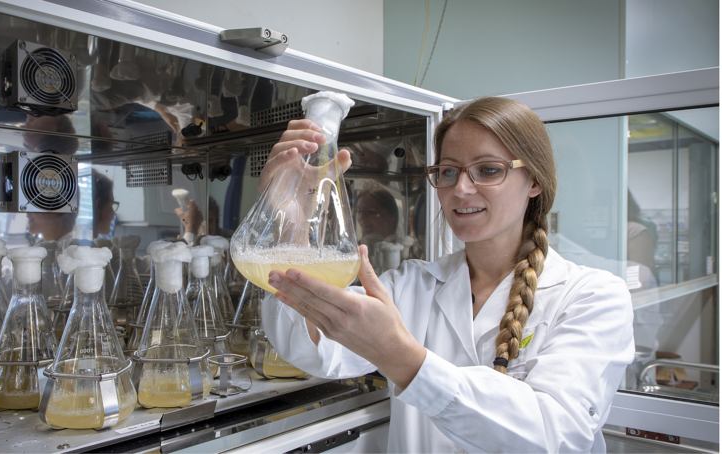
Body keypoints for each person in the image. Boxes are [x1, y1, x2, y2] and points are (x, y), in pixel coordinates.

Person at [260, 97, 634, 453]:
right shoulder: (413, 286)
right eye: (448, 171)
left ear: (534, 180)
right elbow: (308, 349)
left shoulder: (592, 297)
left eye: (488, 170)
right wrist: (292, 227)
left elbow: (558, 437)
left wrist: (401, 356)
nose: (461, 189)